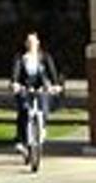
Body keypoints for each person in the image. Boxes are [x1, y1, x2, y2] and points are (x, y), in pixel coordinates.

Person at [9, 32, 61, 164]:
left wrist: (55, 85)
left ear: (38, 43)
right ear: (25, 44)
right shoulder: (21, 58)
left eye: (33, 41)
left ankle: (41, 129)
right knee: (24, 110)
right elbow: (15, 72)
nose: (31, 44)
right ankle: (21, 140)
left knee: (43, 108)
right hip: (25, 88)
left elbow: (52, 73)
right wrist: (15, 84)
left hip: (41, 87)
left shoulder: (44, 57)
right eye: (28, 41)